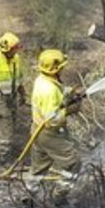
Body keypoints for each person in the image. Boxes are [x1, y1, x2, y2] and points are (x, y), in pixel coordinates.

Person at [30, 49, 84, 179]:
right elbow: (52, 120)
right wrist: (70, 110)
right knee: (73, 162)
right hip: (49, 133)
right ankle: (63, 189)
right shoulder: (49, 91)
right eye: (61, 67)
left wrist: (73, 93)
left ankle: (32, 189)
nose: (63, 69)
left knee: (40, 166)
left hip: (37, 130)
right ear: (55, 69)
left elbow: (58, 92)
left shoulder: (43, 79)